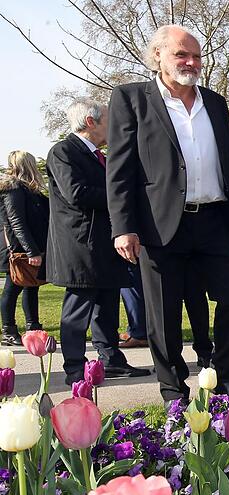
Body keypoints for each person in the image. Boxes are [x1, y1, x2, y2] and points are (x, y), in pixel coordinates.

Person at [106, 25, 229, 403]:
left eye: (196, 56)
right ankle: (173, 388)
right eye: (181, 55)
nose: (191, 63)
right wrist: (123, 226)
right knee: (163, 312)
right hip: (160, 224)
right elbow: (119, 169)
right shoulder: (131, 99)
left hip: (215, 220)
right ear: (157, 57)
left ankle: (224, 377)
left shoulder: (215, 103)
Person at [47, 99, 150, 385]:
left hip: (105, 245)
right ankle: (75, 369)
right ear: (90, 122)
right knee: (78, 311)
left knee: (106, 307)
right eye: (107, 120)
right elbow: (76, 193)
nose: (113, 126)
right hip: (81, 246)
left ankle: (111, 360)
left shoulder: (101, 156)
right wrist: (121, 196)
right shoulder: (63, 151)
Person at [0, 151, 49, 345]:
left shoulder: (28, 190)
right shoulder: (13, 189)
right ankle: (9, 330)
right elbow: (16, 222)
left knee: (31, 286)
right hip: (17, 249)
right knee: (13, 288)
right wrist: (31, 251)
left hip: (27, 247)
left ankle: (33, 326)